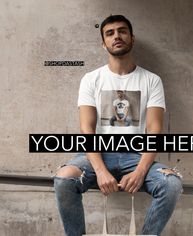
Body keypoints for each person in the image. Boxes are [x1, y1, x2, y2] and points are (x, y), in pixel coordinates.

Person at [54, 15, 183, 236]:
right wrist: (101, 171)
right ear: (103, 43)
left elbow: (154, 131)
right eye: (110, 33)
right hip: (97, 154)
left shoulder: (151, 80)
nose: (117, 36)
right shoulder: (91, 79)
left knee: (171, 184)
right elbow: (87, 130)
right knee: (64, 179)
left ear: (132, 38)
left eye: (122, 31)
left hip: (137, 155)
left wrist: (141, 171)